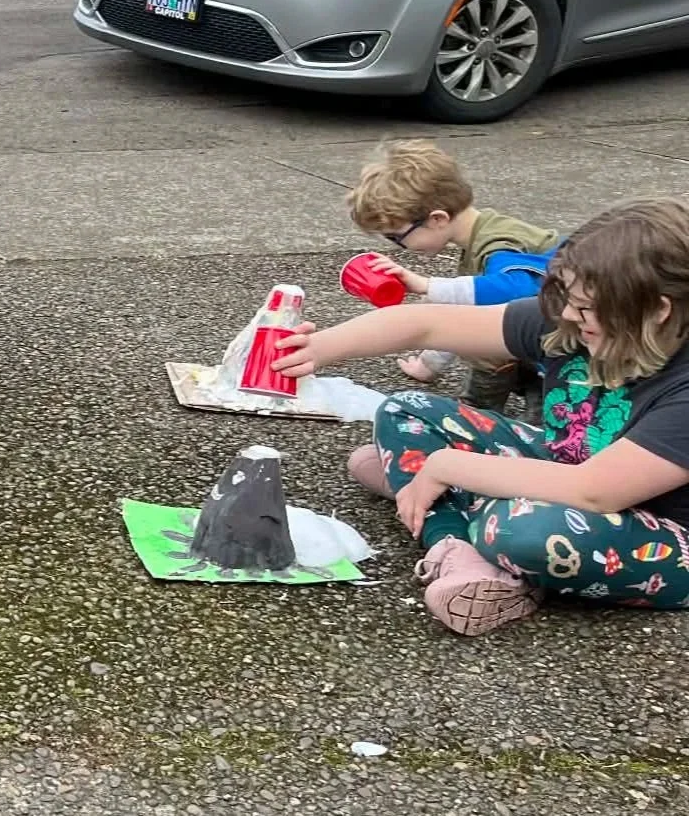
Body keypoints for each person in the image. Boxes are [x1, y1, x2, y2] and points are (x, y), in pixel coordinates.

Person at [274, 197, 689, 637]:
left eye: (587, 307)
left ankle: (448, 501)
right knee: (406, 409)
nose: (569, 314)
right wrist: (317, 349)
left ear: (658, 309)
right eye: (569, 298)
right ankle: (457, 549)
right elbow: (427, 325)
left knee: (523, 531)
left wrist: (447, 466)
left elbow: (595, 492)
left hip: (666, 532)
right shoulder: (575, 325)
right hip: (572, 468)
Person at [348, 138, 559, 419]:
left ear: (437, 219)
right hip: (558, 341)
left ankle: (480, 413)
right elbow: (463, 309)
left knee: (481, 332)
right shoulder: (480, 236)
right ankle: (539, 398)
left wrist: (427, 285)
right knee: (478, 315)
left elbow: (515, 291)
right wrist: (429, 363)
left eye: (397, 237)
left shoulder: (498, 243)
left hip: (582, 351)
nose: (400, 246)